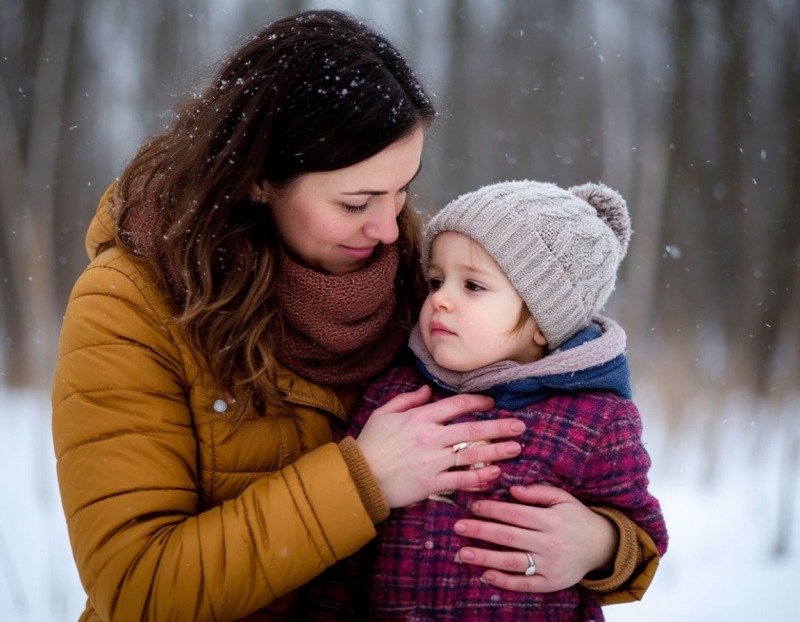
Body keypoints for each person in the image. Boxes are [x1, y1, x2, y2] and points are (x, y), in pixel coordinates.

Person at [51, 9, 660, 622]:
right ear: (259, 177)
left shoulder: (411, 281)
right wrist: (362, 478)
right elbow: (137, 589)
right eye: (355, 202)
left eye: (401, 191)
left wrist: (600, 545)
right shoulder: (129, 308)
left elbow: (592, 471)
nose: (389, 227)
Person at [300, 179, 668, 621]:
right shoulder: (396, 397)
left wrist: (601, 543)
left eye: (473, 286)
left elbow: (642, 533)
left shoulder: (597, 418)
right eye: (436, 281)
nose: (441, 300)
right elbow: (345, 562)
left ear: (542, 321)